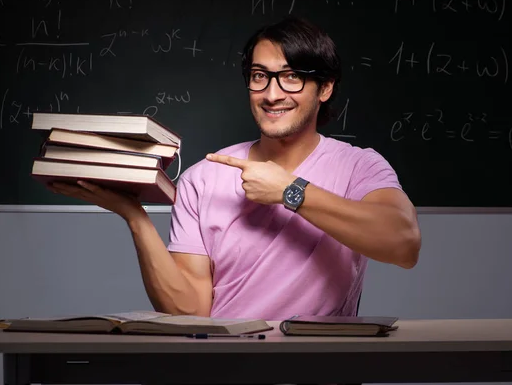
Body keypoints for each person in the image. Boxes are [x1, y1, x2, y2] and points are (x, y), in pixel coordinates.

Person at [49, 16, 421, 321]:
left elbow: (403, 245)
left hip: (318, 368)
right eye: (260, 76)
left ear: (324, 88)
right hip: (221, 367)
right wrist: (134, 215)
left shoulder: (359, 165)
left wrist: (291, 191)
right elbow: (190, 311)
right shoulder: (201, 179)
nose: (272, 94)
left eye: (291, 76)